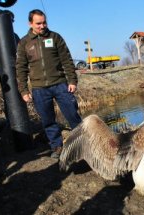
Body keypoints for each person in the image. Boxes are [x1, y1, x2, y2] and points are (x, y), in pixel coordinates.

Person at [16, 9, 82, 159]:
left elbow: (67, 60)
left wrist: (72, 80)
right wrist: (24, 91)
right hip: (39, 89)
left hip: (60, 85)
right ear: (30, 23)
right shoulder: (24, 43)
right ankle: (57, 147)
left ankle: (83, 144)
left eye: (44, 22)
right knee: (48, 121)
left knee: (73, 116)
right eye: (38, 23)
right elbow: (20, 68)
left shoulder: (55, 37)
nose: (42, 26)